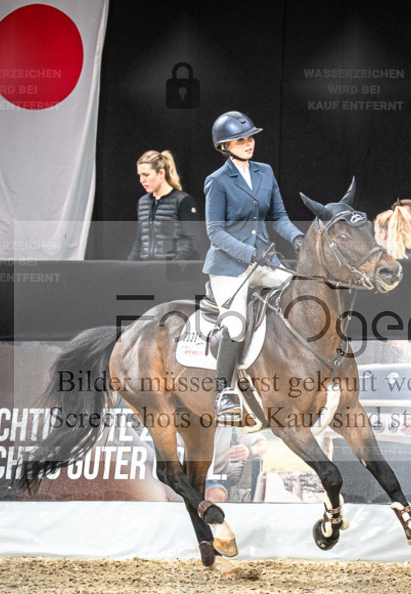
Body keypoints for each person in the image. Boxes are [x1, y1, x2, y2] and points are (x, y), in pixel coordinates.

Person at [203, 110, 305, 420]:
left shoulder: (265, 172)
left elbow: (278, 217)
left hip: (265, 260)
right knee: (235, 323)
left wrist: (299, 238)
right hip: (229, 267)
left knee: (299, 295)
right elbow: (215, 232)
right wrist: (248, 254)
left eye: (250, 138)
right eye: (240, 140)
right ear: (225, 146)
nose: (249, 144)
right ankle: (224, 392)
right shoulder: (217, 181)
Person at [128, 150, 203, 261]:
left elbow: (192, 239)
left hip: (171, 270)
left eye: (146, 175)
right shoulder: (143, 202)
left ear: (161, 173)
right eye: (140, 175)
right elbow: (140, 239)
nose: (141, 180)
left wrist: (175, 263)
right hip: (145, 270)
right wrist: (130, 264)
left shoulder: (183, 201)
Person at [204, 427, 269, 503]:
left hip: (211, 480)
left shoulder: (228, 417)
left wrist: (249, 451)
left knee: (216, 496)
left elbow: (262, 443)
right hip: (187, 478)